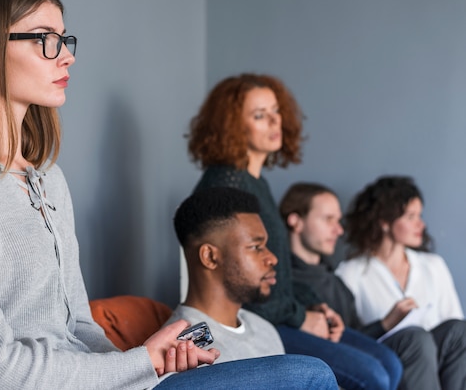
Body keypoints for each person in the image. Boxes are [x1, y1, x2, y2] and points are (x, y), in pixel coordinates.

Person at [0, 0, 297, 389]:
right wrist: (140, 363)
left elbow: (82, 330)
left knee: (300, 375)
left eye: (62, 39)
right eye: (44, 39)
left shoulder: (50, 181)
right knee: (307, 375)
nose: (65, 57)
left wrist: (148, 368)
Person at [187, 73, 402, 390]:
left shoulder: (256, 182)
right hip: (259, 320)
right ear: (231, 125)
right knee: (374, 375)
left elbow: (280, 265)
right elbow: (237, 281)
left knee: (390, 363)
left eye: (276, 112)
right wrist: (301, 317)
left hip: (283, 313)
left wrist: (316, 306)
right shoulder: (226, 185)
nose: (275, 122)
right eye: (260, 115)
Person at [166, 186, 339, 389]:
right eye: (256, 247)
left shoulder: (263, 327)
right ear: (210, 257)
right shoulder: (184, 349)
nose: (272, 258)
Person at [280, 181, 439, 390]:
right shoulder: (281, 281)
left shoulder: (336, 283)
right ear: (296, 221)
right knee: (384, 368)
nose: (338, 230)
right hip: (315, 354)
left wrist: (385, 324)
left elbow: (354, 335)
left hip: (364, 355)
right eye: (329, 220)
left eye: (338, 221)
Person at [337, 175, 466, 390]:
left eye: (420, 216)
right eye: (411, 216)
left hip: (436, 363)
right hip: (392, 361)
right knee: (417, 339)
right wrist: (389, 322)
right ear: (385, 222)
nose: (421, 224)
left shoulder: (433, 265)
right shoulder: (351, 273)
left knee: (460, 330)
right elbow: (346, 340)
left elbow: (455, 327)